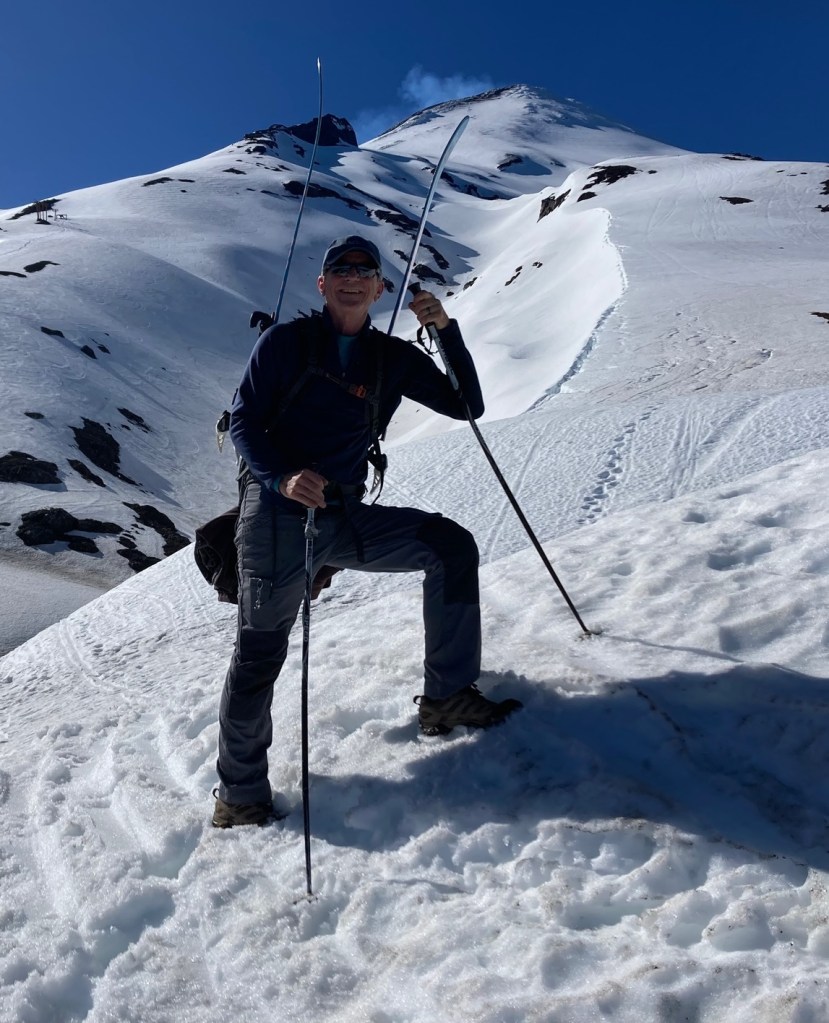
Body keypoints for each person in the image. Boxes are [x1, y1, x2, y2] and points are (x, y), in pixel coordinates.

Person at [213, 235, 521, 828]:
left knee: (449, 546)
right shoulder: (284, 343)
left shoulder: (394, 358)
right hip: (276, 514)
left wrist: (444, 329)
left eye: (366, 271)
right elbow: (246, 420)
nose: (353, 278)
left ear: (381, 289)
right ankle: (240, 793)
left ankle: (447, 696)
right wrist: (280, 478)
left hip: (342, 513)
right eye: (340, 269)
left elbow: (467, 406)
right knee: (259, 650)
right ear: (322, 284)